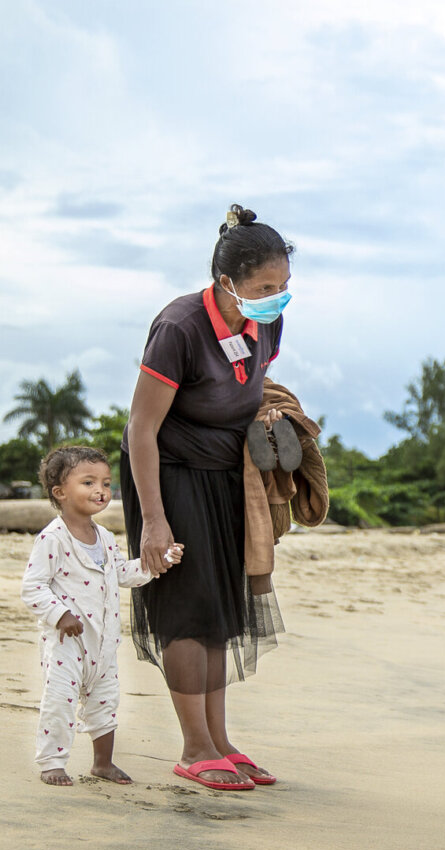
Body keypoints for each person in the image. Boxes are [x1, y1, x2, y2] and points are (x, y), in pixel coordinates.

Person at [121, 203, 293, 791]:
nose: (277, 297)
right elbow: (140, 428)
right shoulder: (179, 327)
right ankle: (194, 747)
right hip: (170, 473)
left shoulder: (266, 322)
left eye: (284, 286)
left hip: (227, 474)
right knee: (189, 606)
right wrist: (152, 521)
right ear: (227, 283)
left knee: (221, 607)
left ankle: (220, 740)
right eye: (265, 287)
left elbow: (251, 382)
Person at [20, 446, 181, 786]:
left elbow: (122, 573)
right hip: (67, 643)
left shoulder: (105, 537)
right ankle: (52, 762)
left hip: (105, 643)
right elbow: (32, 588)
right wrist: (60, 614)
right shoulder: (53, 538)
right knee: (59, 703)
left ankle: (103, 763)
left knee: (106, 703)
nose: (101, 491)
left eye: (106, 483)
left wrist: (159, 560)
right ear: (60, 493)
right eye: (89, 482)